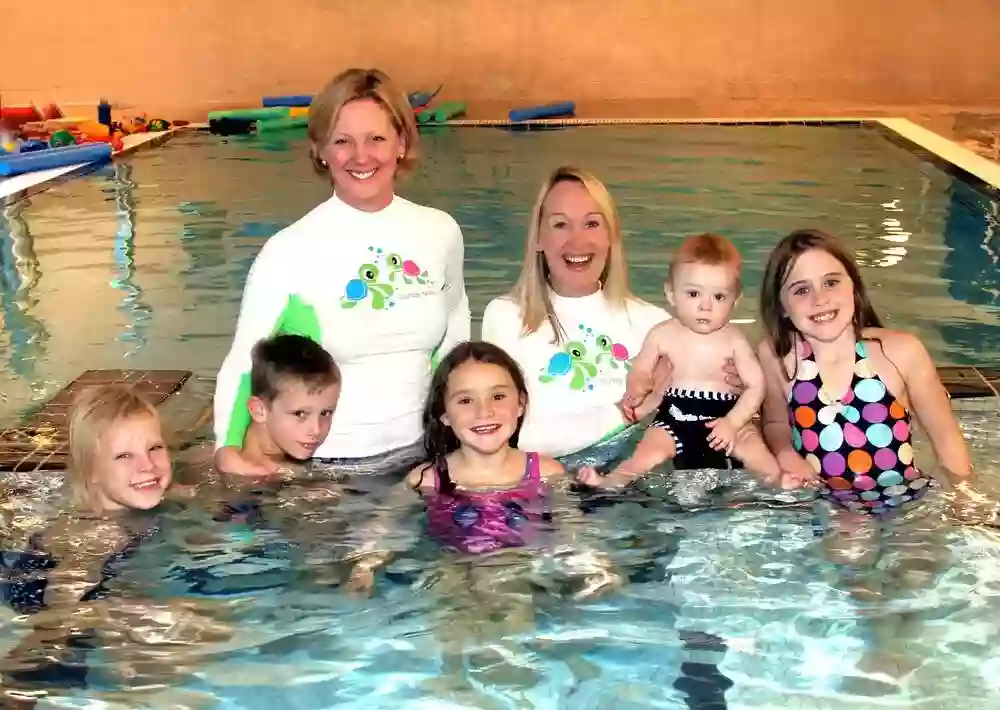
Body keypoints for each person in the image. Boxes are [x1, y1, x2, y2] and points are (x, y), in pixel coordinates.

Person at [213, 68, 470, 474]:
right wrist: (228, 454)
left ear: (401, 143)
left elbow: (455, 342)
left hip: (423, 460)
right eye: (342, 142)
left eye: (377, 139)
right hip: (326, 470)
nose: (361, 157)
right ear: (320, 150)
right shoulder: (289, 250)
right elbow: (245, 362)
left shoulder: (440, 233)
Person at [481, 166, 741, 461]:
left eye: (591, 224)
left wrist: (735, 388)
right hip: (545, 495)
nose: (577, 241)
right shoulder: (507, 317)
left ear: (611, 236)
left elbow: (707, 425)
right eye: (560, 224)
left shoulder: (655, 326)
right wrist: (623, 414)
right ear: (538, 237)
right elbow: (509, 436)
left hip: (637, 496)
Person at [756, 228, 981, 516]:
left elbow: (946, 438)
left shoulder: (900, 352)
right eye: (801, 290)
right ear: (783, 307)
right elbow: (775, 422)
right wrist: (786, 454)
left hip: (903, 497)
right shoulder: (776, 356)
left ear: (854, 287)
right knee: (846, 551)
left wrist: (965, 495)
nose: (819, 299)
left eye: (831, 282)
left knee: (920, 557)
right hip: (826, 500)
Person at [577, 234, 782, 489]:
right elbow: (641, 368)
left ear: (735, 301)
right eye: (694, 293)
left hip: (724, 417)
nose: (706, 306)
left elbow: (756, 386)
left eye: (719, 297)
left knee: (757, 453)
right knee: (644, 455)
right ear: (671, 294)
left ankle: (782, 485)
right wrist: (636, 388)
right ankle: (611, 482)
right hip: (675, 417)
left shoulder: (734, 340)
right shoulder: (662, 334)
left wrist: (734, 422)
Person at [214, 334, 341, 476]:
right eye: (300, 414)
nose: (316, 430)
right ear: (259, 411)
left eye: (326, 413)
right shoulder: (240, 475)